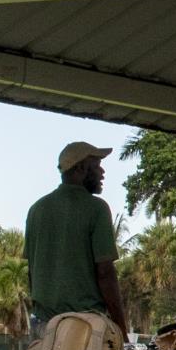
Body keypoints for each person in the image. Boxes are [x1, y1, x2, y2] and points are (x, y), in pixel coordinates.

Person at [25, 142, 127, 334]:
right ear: (80, 168)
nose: (102, 172)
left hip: (42, 323)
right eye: (96, 166)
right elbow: (105, 272)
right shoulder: (96, 208)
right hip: (82, 326)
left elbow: (32, 271)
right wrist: (121, 329)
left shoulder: (36, 210)